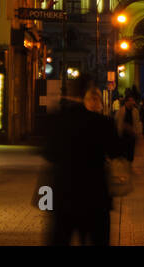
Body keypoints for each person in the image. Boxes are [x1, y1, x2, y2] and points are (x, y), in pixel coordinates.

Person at [42, 75, 123, 245]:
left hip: (64, 195)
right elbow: (116, 152)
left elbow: (48, 154)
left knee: (60, 239)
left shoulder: (57, 120)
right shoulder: (103, 123)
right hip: (95, 196)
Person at [115, 96, 140, 161]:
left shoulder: (135, 111)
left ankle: (128, 166)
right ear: (126, 102)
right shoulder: (120, 111)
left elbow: (137, 123)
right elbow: (117, 122)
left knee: (131, 155)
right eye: (130, 101)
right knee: (123, 155)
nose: (132, 102)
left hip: (132, 136)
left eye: (133, 100)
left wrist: (137, 133)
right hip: (123, 136)